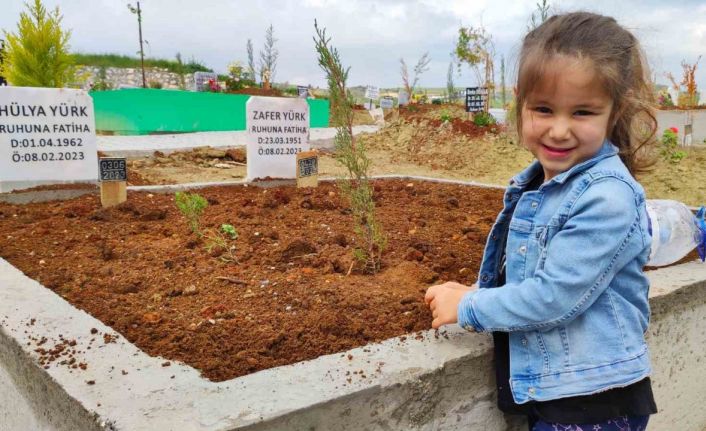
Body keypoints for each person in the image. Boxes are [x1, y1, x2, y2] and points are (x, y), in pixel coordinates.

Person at [425, 12, 658, 431]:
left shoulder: (607, 197)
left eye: (583, 112)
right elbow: (537, 268)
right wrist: (481, 289)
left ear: (614, 111)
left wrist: (470, 306)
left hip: (594, 405)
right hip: (562, 394)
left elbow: (554, 297)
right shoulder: (546, 183)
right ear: (521, 102)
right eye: (544, 109)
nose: (559, 130)